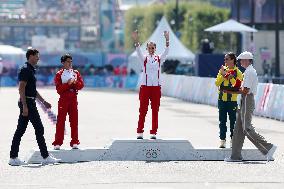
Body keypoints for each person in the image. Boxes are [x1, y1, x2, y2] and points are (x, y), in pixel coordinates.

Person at [9, 48, 60, 166]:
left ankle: (13, 157)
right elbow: (21, 88)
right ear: (30, 56)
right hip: (27, 103)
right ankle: (45, 156)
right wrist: (25, 106)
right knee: (39, 128)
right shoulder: (26, 70)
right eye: (37, 56)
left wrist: (43, 102)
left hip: (29, 102)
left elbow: (33, 90)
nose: (38, 58)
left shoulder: (31, 70)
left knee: (20, 130)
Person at [223, 51, 277, 162]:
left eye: (242, 60)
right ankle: (235, 156)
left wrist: (229, 91)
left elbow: (245, 90)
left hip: (247, 99)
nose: (240, 61)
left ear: (248, 60)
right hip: (245, 100)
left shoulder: (249, 72)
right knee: (238, 130)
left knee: (246, 129)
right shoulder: (248, 71)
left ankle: (268, 148)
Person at [132, 30, 169, 139]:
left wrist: (167, 39)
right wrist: (136, 39)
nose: (151, 49)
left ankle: (153, 132)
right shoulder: (144, 58)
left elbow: (166, 51)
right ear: (147, 49)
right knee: (143, 110)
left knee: (155, 111)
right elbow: (138, 50)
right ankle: (140, 132)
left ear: (155, 49)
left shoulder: (159, 59)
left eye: (153, 48)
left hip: (156, 88)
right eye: (149, 48)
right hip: (145, 88)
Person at [52, 54, 84, 150]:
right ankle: (58, 142)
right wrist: (67, 84)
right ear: (63, 63)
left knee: (74, 121)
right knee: (61, 121)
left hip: (73, 99)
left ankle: (75, 141)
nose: (70, 63)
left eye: (71, 61)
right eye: (67, 61)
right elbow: (59, 90)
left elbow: (81, 85)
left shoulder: (76, 73)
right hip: (63, 99)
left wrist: (74, 83)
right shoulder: (59, 74)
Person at [215, 52, 243, 148]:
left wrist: (227, 76)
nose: (225, 61)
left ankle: (233, 140)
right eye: (225, 59)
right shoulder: (222, 70)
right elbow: (217, 83)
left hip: (232, 101)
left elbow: (237, 85)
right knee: (222, 120)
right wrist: (223, 75)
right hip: (221, 99)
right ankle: (222, 140)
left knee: (233, 121)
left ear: (232, 60)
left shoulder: (238, 72)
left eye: (227, 59)